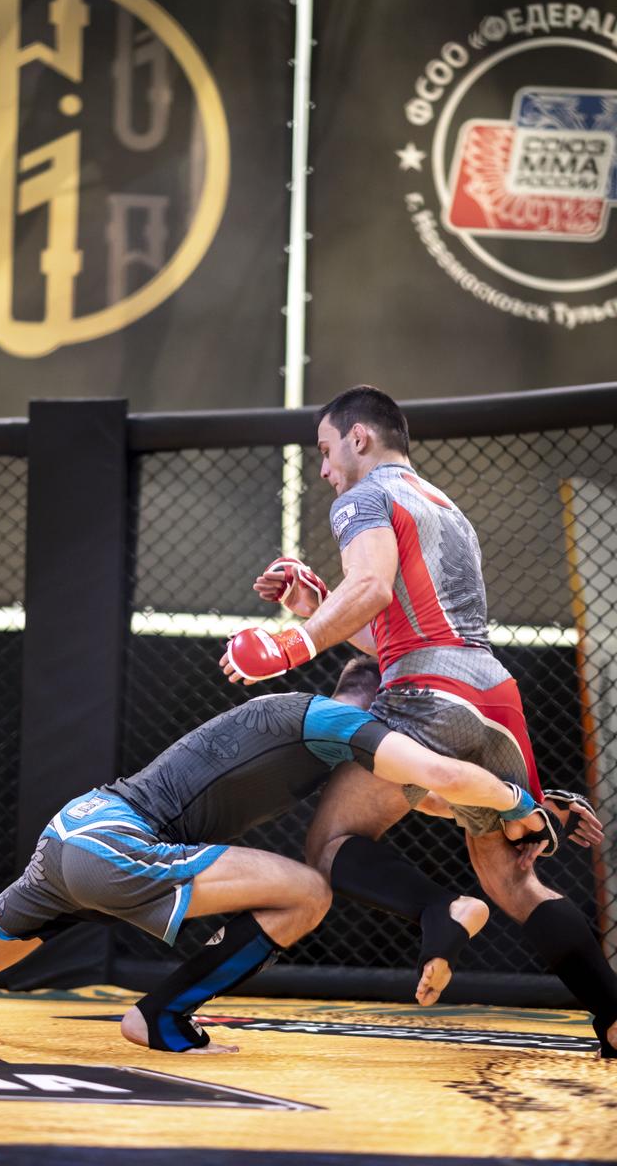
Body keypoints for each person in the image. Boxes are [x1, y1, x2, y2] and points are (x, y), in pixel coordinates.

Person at [0, 679, 542, 1055]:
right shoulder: (333, 720)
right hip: (112, 844)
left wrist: (511, 814)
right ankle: (160, 1016)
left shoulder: (315, 728)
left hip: (76, 831)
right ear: (371, 706)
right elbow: (434, 771)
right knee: (307, 893)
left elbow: (428, 794)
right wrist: (522, 804)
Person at [220, 384, 616, 1058]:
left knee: (331, 842)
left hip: (428, 695)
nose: (324, 470)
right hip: (494, 695)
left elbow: (372, 589)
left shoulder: (362, 497)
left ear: (359, 437)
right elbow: (403, 628)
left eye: (326, 450)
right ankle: (612, 1014)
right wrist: (314, 605)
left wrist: (291, 645)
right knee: (515, 882)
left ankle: (441, 909)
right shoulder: (446, 506)